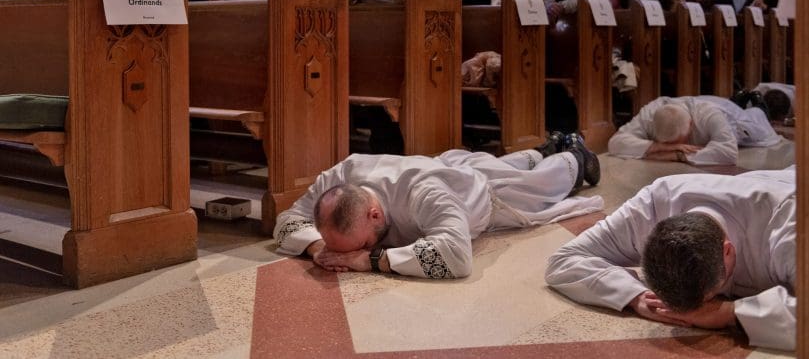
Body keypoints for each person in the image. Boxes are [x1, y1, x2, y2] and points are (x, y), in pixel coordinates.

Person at [545, 167, 796, 351]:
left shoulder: (790, 231)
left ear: (727, 252)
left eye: (712, 294)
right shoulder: (651, 206)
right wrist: (635, 296)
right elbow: (565, 259)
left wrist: (732, 312)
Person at [274, 141, 603, 279]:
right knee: (505, 164)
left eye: (363, 243)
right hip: (446, 168)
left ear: (375, 214)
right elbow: (287, 218)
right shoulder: (338, 178)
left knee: (547, 183)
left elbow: (457, 257)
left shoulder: (424, 195)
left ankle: (577, 153)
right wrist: (318, 247)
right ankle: (543, 148)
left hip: (485, 196)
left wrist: (369, 260)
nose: (364, 249)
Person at [607, 95, 780, 165]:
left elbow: (728, 152)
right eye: (670, 144)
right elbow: (616, 142)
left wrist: (679, 156)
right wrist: (659, 147)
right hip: (701, 101)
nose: (678, 146)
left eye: (680, 142)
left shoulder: (708, 114)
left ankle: (755, 100)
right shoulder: (650, 114)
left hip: (739, 120)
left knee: (758, 115)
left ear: (691, 125)